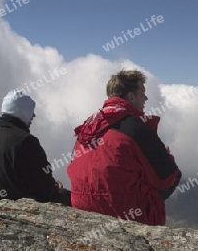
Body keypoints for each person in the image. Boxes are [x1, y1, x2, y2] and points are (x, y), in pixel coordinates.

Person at [67, 69, 182, 226]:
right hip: (125, 214)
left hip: (82, 208)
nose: (146, 98)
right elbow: (168, 177)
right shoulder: (134, 128)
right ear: (131, 97)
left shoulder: (87, 127)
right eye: (143, 92)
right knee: (172, 175)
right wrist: (167, 158)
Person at [0, 90, 71, 213]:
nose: (33, 116)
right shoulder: (26, 141)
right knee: (72, 198)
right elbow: (44, 189)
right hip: (13, 210)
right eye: (30, 111)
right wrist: (54, 187)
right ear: (22, 112)